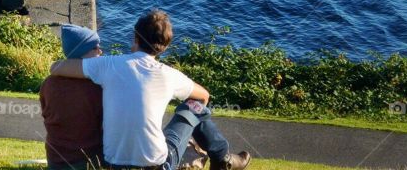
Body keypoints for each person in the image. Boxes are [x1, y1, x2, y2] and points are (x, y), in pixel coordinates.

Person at [49, 10, 250, 170]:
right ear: (164, 47)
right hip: (158, 165)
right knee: (195, 106)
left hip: (113, 165)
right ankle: (223, 157)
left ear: (135, 37)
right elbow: (204, 96)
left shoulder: (108, 65)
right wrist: (194, 128)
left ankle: (223, 158)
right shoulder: (170, 75)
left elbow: (56, 67)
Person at [39, 25, 104, 170]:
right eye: (95, 47)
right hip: (87, 161)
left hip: (55, 160)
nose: (100, 51)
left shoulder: (48, 83)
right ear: (82, 53)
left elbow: (45, 113)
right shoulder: (97, 87)